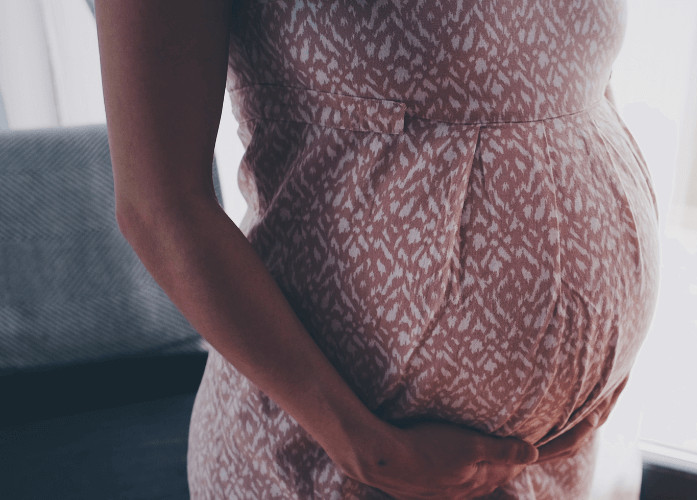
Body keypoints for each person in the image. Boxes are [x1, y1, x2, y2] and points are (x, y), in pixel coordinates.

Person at [94, 0, 659, 498]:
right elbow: (157, 204)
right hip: (340, 456)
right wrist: (363, 446)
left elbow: (575, 88)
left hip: (545, 463)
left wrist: (597, 360)